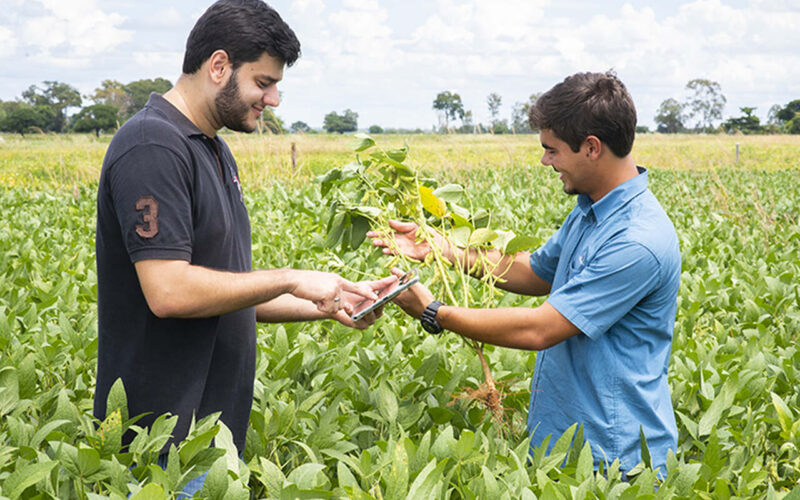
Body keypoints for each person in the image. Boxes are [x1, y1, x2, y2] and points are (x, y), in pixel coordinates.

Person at [94, 1, 390, 496]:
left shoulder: (209, 146)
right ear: (218, 66)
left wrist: (334, 300)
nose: (273, 99)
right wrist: (292, 276)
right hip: (161, 446)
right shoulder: (153, 146)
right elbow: (169, 292)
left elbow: (228, 292)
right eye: (264, 82)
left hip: (209, 439)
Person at [369, 71, 680, 479]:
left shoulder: (637, 240)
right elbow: (535, 271)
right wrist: (443, 250)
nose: (545, 162)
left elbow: (540, 330)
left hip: (614, 459)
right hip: (562, 443)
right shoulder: (592, 209)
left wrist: (433, 312)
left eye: (551, 150)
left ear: (591, 148)